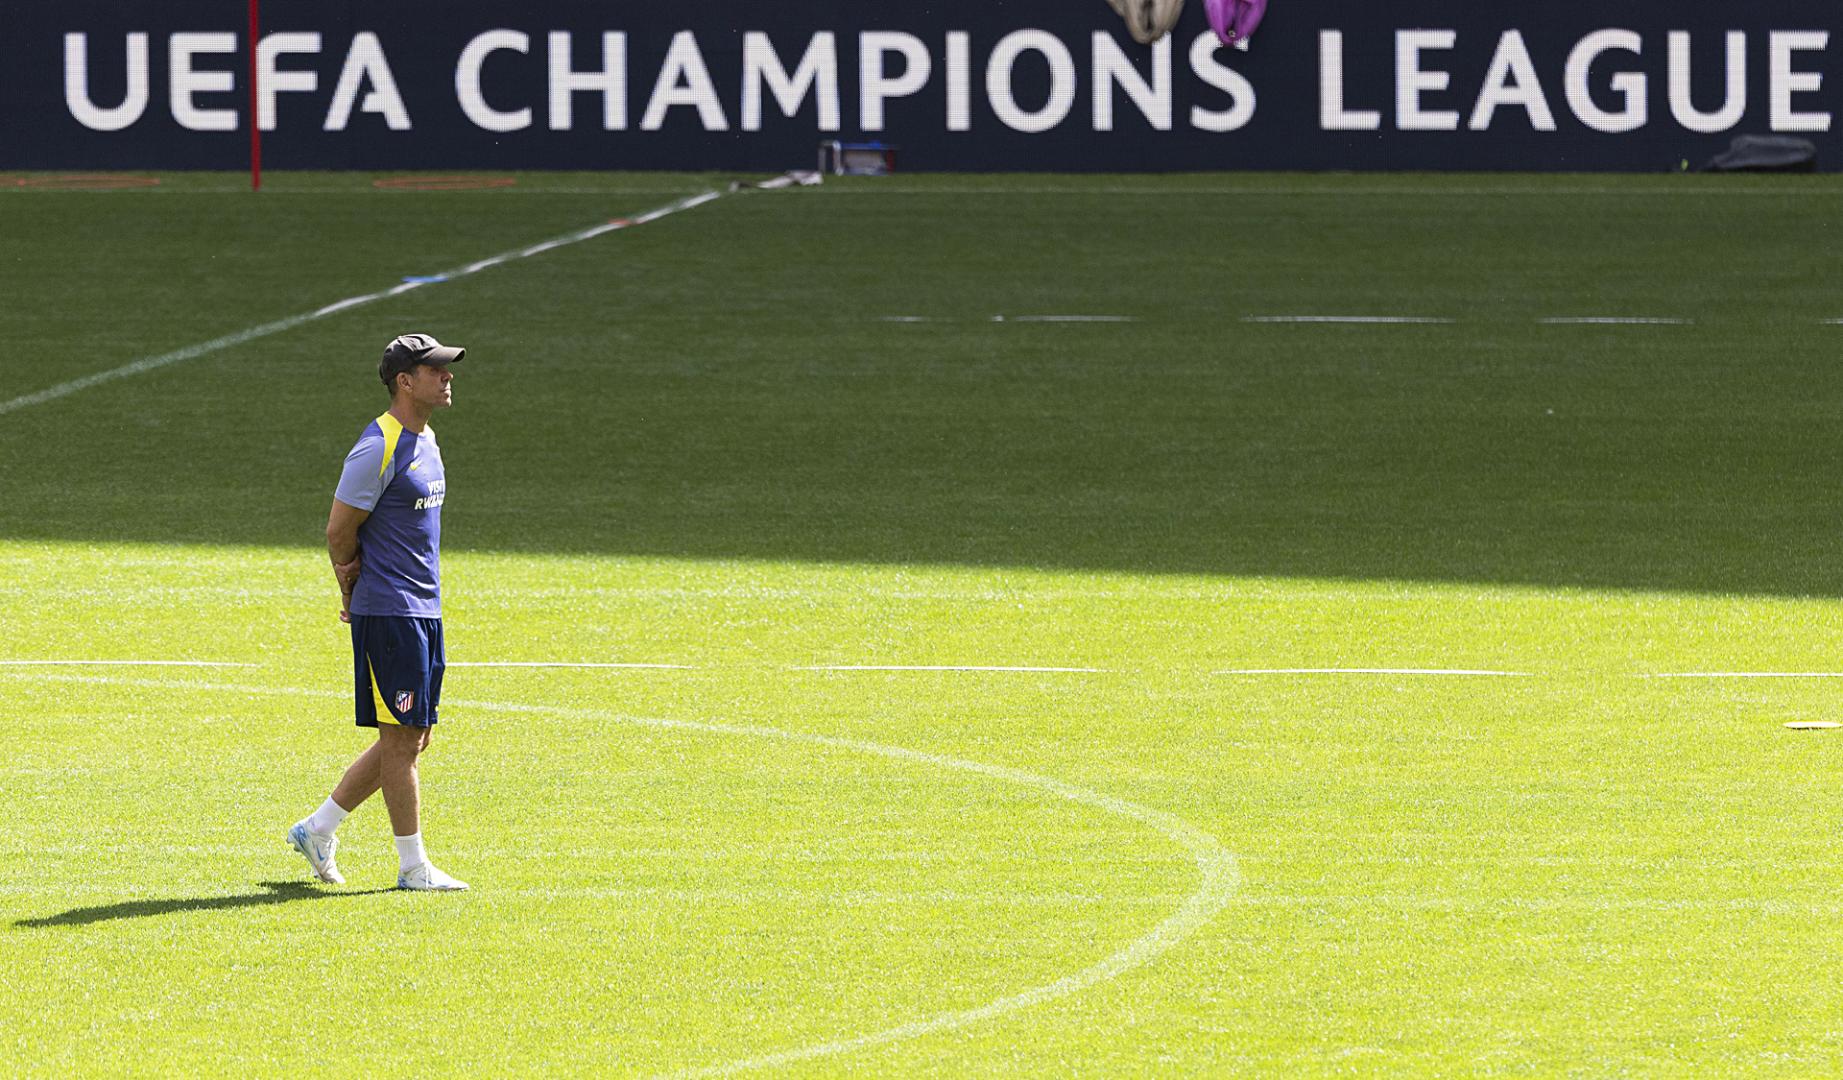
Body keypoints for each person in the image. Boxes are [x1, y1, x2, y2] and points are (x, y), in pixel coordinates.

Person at [288, 333, 469, 891]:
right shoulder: (379, 446)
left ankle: (318, 829)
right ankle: (413, 866)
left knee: (414, 736)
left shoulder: (428, 440)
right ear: (404, 381)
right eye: (434, 369)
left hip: (422, 609)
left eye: (446, 368)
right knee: (401, 737)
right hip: (389, 611)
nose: (447, 376)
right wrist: (349, 587)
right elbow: (339, 531)